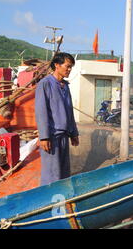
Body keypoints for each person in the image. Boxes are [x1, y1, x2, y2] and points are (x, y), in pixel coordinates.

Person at [35, 53, 79, 186]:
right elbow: (41, 111)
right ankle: (49, 202)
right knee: (51, 174)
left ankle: (62, 200)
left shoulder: (65, 86)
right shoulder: (45, 84)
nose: (70, 69)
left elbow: (69, 111)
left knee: (64, 172)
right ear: (57, 65)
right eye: (68, 66)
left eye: (71, 67)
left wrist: (74, 133)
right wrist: (44, 137)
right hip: (52, 137)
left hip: (64, 135)